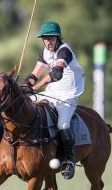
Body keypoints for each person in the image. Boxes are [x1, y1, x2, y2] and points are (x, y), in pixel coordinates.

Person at [23, 22, 85, 180]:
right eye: (45, 38)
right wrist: (25, 86)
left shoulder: (64, 50)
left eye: (51, 38)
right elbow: (34, 74)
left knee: (62, 125)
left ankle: (69, 160)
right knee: (23, 106)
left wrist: (36, 87)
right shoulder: (44, 52)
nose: (48, 41)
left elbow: (56, 73)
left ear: (58, 38)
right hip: (51, 92)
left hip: (68, 94)